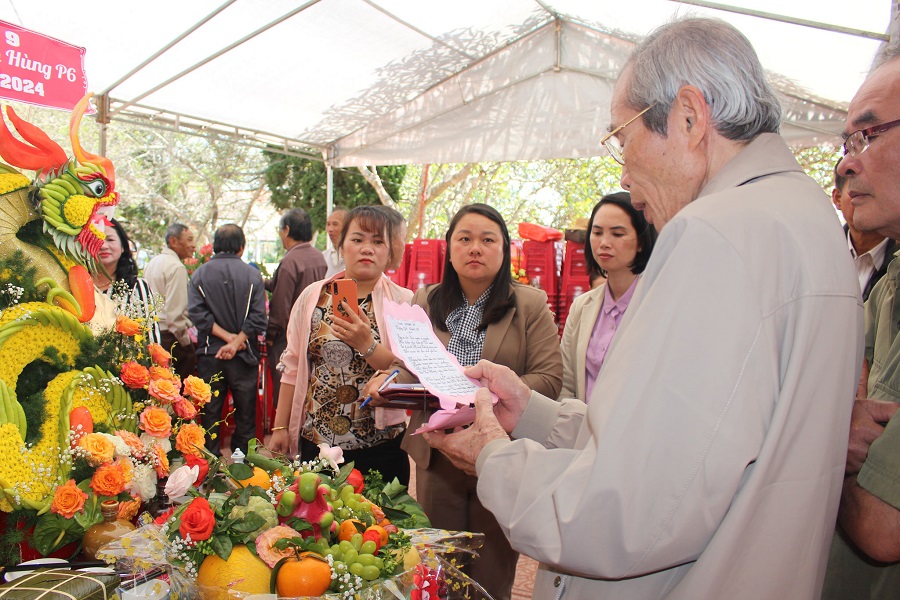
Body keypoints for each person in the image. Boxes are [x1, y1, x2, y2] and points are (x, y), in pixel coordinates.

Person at [422, 18, 862, 599]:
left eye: (622, 139)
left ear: (688, 116)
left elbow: (625, 513)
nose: (626, 182)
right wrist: (531, 413)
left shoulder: (716, 232)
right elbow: (689, 448)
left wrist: (494, 459)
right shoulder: (807, 216)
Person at [367, 203, 563, 600]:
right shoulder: (427, 299)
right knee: (439, 567)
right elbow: (411, 367)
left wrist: (479, 400)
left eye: (487, 239)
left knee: (491, 572)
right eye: (465, 239)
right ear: (450, 250)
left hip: (500, 450)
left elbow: (549, 378)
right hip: (437, 454)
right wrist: (389, 382)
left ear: (504, 250)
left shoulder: (529, 304)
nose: (476, 248)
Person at [822, 46, 900, 599]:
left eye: (868, 136)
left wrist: (817, 435)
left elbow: (880, 523)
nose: (847, 163)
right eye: (848, 142)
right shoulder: (888, 286)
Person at [269, 206, 413, 484]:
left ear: (389, 251)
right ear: (341, 245)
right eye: (357, 239)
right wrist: (281, 426)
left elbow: (407, 373)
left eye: (377, 241)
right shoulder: (313, 297)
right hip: (318, 445)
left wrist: (367, 344)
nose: (366, 249)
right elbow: (293, 364)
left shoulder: (404, 302)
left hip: (381, 447)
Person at [559, 192, 655, 401]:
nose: (604, 243)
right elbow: (566, 382)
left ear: (640, 242)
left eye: (617, 234)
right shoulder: (582, 306)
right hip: (582, 428)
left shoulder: (657, 304)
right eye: (597, 232)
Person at [188, 224, 267, 456]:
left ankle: (211, 464)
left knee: (210, 413)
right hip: (243, 355)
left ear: (215, 246)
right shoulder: (252, 275)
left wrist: (225, 339)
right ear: (241, 248)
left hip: (209, 354)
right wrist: (235, 342)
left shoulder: (200, 274)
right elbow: (258, 318)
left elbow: (197, 314)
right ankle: (241, 466)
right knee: (245, 413)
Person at [266, 208, 327, 407]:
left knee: (287, 395)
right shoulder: (318, 257)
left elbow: (280, 308)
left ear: (287, 230)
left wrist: (270, 337)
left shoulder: (290, 261)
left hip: (289, 339)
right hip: (317, 334)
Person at [832, 162, 894, 302]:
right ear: (837, 199)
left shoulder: (896, 260)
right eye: (858, 194)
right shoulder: (820, 255)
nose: (867, 202)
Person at [92, 218, 161, 343]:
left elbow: (151, 339)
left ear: (123, 246)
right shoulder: (74, 284)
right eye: (96, 239)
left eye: (110, 239)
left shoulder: (137, 286)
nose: (103, 245)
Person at [144, 224, 197, 380]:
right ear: (173, 241)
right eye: (189, 239)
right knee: (175, 393)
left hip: (152, 335)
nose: (194, 245)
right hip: (170, 338)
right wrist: (186, 345)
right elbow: (175, 316)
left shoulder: (153, 262)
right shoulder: (176, 267)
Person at [323, 206, 348, 277]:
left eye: (335, 224)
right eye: (328, 224)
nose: (330, 229)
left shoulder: (355, 256)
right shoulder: (323, 257)